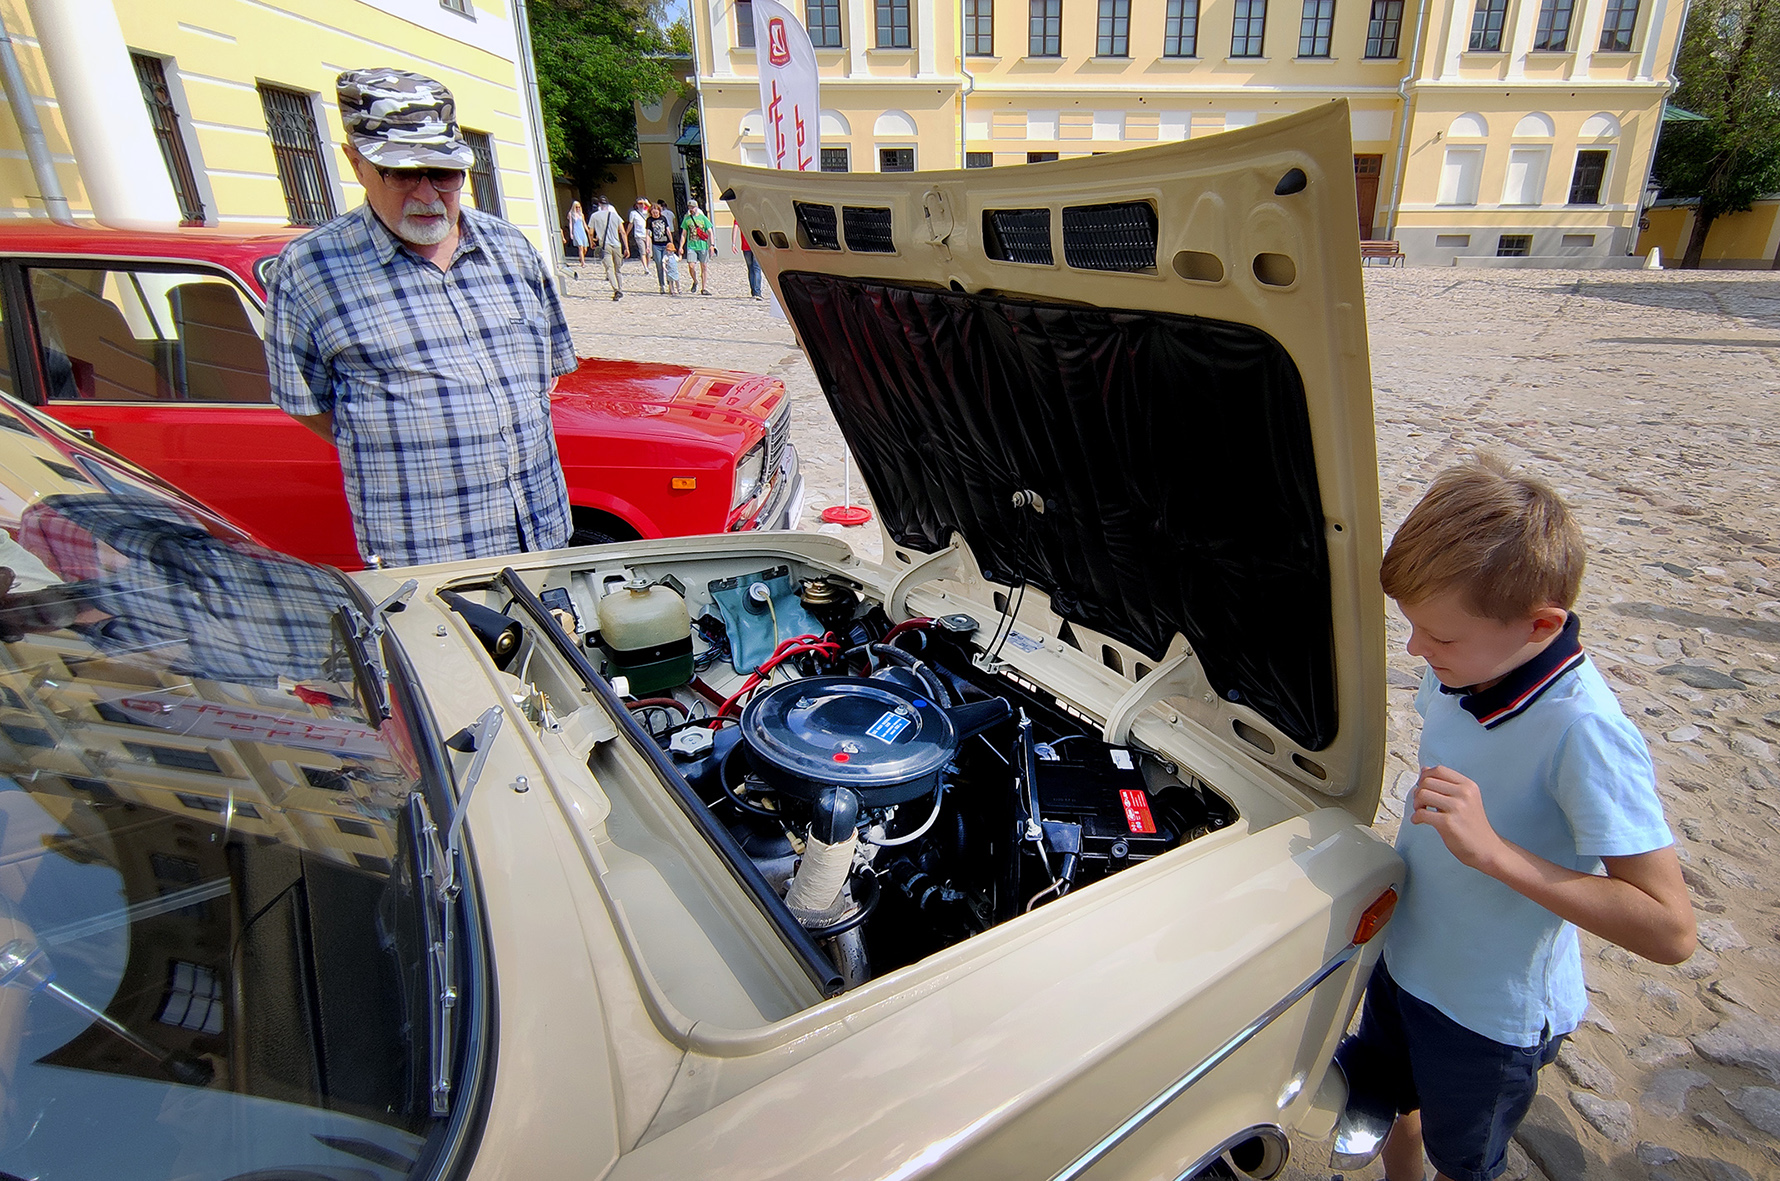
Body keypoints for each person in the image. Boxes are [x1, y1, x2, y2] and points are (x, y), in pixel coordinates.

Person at [1334, 456, 1694, 1181]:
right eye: (1412, 628)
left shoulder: (1585, 731)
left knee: (1463, 1159)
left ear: (1542, 625)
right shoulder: (1464, 668)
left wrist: (1494, 852)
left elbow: (1670, 930)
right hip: (1407, 961)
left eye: (1439, 637)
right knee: (1388, 1102)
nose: (1416, 651)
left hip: (1486, 1017)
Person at [264, 67, 575, 568]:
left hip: (543, 539)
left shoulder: (512, 249)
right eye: (404, 173)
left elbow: (546, 377)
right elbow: (308, 406)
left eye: (445, 173)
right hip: (428, 558)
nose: (428, 195)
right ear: (356, 162)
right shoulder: (310, 271)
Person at [589, 195, 625, 300]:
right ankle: (620, 288)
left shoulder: (594, 216)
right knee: (618, 268)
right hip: (617, 244)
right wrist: (626, 247)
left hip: (604, 245)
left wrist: (592, 242)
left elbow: (591, 232)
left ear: (599, 204)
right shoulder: (615, 215)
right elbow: (622, 232)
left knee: (609, 268)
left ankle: (616, 290)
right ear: (608, 205)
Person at [680, 198, 713, 294]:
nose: (691, 209)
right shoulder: (687, 219)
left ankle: (704, 288)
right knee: (691, 266)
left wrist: (712, 245)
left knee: (704, 266)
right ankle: (695, 281)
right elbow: (684, 234)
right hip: (691, 246)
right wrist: (681, 246)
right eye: (689, 207)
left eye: (693, 207)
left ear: (696, 208)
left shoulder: (703, 218)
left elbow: (710, 231)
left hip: (703, 246)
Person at [647, 200, 674, 292]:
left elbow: (668, 231)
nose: (655, 214)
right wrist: (648, 246)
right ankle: (662, 285)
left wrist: (671, 242)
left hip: (665, 244)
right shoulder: (649, 220)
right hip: (656, 245)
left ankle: (670, 284)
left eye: (656, 212)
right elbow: (648, 234)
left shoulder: (663, 218)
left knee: (667, 264)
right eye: (653, 213)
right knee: (659, 264)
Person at [740, 229, 764, 301]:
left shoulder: (743, 222)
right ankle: (757, 292)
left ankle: (754, 291)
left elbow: (735, 227)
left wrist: (733, 243)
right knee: (757, 269)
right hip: (757, 246)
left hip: (746, 247)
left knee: (751, 269)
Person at [629, 198, 651, 274]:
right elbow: (631, 223)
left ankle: (647, 266)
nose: (642, 205)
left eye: (643, 204)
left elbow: (651, 207)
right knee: (643, 252)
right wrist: (626, 233)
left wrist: (645, 202)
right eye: (640, 204)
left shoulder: (647, 212)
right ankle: (645, 268)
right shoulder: (633, 213)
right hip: (638, 235)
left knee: (649, 253)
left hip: (648, 234)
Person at [566, 199, 588, 271]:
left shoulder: (581, 214)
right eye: (576, 207)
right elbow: (570, 224)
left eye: (579, 207)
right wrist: (571, 233)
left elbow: (584, 223)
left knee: (585, 248)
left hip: (582, 231)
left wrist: (588, 231)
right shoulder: (571, 214)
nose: (578, 208)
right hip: (576, 231)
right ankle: (583, 262)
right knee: (580, 247)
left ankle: (581, 258)